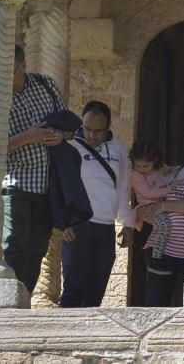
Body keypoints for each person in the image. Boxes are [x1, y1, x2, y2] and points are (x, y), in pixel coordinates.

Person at [3, 44, 68, 293]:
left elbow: (68, 124)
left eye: (11, 71)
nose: (6, 78)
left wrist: (60, 136)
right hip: (14, 185)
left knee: (37, 250)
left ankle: (24, 298)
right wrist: (28, 137)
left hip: (46, 187)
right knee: (15, 246)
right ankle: (11, 304)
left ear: (23, 67)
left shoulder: (45, 85)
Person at [59, 101, 133, 307]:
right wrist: (64, 221)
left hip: (106, 227)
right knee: (74, 289)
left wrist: (127, 222)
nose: (92, 135)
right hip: (78, 225)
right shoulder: (70, 146)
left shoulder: (118, 149)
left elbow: (123, 188)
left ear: (108, 128)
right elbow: (60, 186)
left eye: (98, 131)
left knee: (96, 291)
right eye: (87, 129)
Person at [140, 126, 184, 307]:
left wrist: (164, 206)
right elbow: (149, 197)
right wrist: (147, 211)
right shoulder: (173, 173)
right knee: (155, 305)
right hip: (163, 248)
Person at [129, 140, 177, 260]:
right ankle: (156, 256)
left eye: (145, 166)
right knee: (164, 225)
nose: (141, 169)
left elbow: (173, 171)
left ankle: (168, 253)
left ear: (155, 160)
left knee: (174, 225)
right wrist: (170, 188)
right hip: (147, 206)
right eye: (137, 165)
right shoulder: (135, 175)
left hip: (164, 205)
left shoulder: (161, 168)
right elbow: (148, 193)